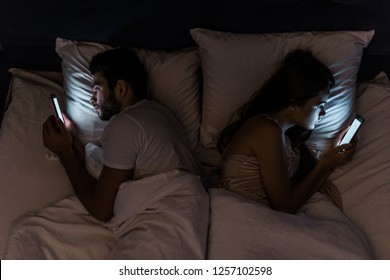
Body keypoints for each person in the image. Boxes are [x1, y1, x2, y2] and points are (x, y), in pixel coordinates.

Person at [42, 48, 201, 222]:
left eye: (97, 89)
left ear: (121, 88)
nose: (92, 99)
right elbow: (109, 176)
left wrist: (65, 154)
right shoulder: (159, 113)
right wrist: (72, 141)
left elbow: (101, 210)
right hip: (188, 213)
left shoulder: (124, 124)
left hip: (163, 220)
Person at [217, 49, 357, 214]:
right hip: (243, 213)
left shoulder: (284, 136)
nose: (323, 113)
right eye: (319, 105)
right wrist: (326, 164)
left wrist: (330, 159)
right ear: (294, 104)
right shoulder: (267, 130)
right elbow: (285, 205)